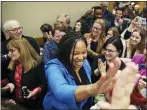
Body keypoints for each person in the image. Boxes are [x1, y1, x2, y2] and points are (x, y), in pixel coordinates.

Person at [43, 32, 137, 110]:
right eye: (75, 53)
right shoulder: (53, 66)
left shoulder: (85, 63)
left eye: (84, 52)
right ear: (65, 52)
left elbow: (91, 82)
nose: (80, 58)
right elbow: (61, 91)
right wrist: (93, 89)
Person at [3, 38, 46, 109]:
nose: (9, 54)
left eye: (12, 51)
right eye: (9, 51)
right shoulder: (12, 64)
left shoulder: (37, 64)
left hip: (34, 104)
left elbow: (43, 84)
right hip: (17, 102)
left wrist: (35, 91)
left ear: (22, 50)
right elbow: (12, 82)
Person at [1, 20, 40, 91]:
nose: (19, 31)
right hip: (12, 83)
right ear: (7, 32)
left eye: (19, 28)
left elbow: (37, 60)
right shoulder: (3, 46)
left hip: (32, 79)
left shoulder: (31, 41)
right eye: (15, 29)